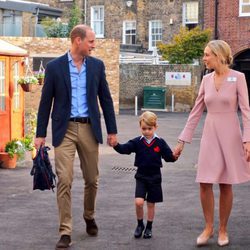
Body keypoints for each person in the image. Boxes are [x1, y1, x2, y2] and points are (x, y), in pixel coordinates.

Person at [34, 24, 117, 249]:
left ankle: (89, 215)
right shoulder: (55, 67)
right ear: (78, 40)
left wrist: (112, 131)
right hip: (65, 130)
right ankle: (65, 230)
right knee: (65, 179)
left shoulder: (97, 66)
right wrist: (40, 134)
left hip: (90, 128)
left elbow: (106, 100)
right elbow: (45, 103)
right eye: (90, 41)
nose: (94, 45)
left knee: (92, 179)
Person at [175, 40, 250, 247]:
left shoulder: (239, 78)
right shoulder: (206, 80)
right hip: (210, 135)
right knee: (205, 182)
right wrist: (182, 140)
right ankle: (208, 227)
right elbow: (196, 111)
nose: (204, 58)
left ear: (219, 55)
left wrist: (247, 140)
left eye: (207, 54)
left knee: (225, 183)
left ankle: (223, 229)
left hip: (231, 135)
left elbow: (246, 111)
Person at [113, 111, 178, 239]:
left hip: (155, 177)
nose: (147, 131)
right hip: (141, 176)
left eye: (150, 128)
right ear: (140, 127)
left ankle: (149, 227)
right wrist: (116, 145)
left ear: (155, 127)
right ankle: (139, 225)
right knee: (138, 202)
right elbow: (124, 149)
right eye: (144, 128)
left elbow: (168, 157)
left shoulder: (160, 142)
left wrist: (175, 156)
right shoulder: (137, 142)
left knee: (151, 204)